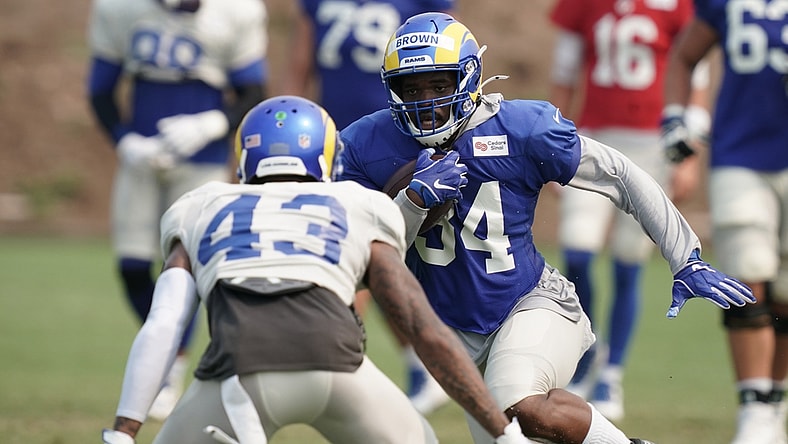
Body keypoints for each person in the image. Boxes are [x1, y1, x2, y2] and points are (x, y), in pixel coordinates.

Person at [338, 12, 755, 443]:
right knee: (509, 435)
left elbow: (620, 175)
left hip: (530, 303)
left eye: (439, 85)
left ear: (468, 78)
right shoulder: (366, 145)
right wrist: (411, 203)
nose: (426, 101)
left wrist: (684, 256)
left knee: (518, 405)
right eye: (413, 88)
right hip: (451, 334)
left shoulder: (521, 130)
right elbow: (365, 255)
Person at [99, 95, 531, 444]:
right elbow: (420, 325)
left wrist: (123, 431)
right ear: (325, 157)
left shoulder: (202, 204)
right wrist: (504, 432)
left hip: (237, 375)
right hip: (337, 369)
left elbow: (163, 324)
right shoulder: (356, 204)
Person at [86, 0, 269, 420]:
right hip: (143, 158)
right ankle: (170, 354)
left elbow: (253, 93)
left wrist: (212, 124)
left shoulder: (235, 11)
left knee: (187, 268)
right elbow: (100, 89)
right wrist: (125, 140)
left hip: (202, 162)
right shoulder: (121, 10)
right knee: (132, 266)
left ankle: (174, 366)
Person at [280, 0, 457, 415]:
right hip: (337, 145)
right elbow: (299, 64)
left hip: (401, 142)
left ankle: (332, 369)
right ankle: (414, 369)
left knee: (364, 261)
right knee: (361, 262)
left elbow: (450, 58)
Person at [547, 0, 711, 421]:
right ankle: (585, 358)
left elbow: (697, 74)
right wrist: (547, 145)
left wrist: (689, 155)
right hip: (592, 139)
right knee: (577, 252)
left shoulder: (677, 7)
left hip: (651, 147)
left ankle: (612, 372)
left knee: (627, 260)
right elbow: (564, 75)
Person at [662, 2, 788, 443]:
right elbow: (684, 54)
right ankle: (754, 407)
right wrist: (678, 117)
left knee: (787, 291)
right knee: (749, 272)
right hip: (741, 153)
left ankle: (774, 399)